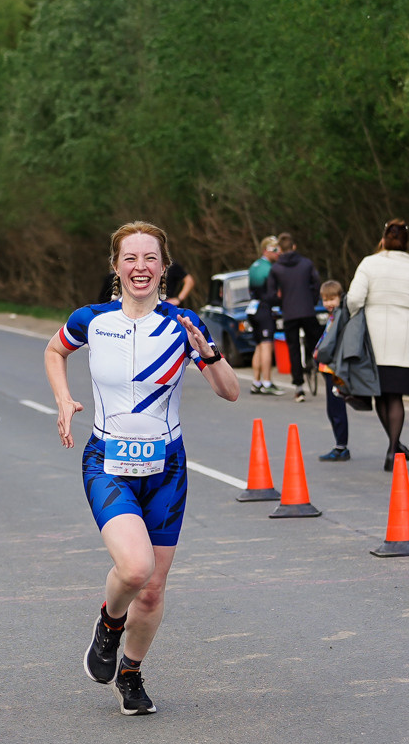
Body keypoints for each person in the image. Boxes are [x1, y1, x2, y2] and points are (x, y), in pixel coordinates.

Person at [43, 223, 242, 716]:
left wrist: (208, 351)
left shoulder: (183, 323)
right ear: (116, 267)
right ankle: (109, 626)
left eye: (150, 258)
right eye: (130, 258)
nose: (140, 267)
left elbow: (230, 391)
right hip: (108, 460)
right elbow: (54, 350)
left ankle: (130, 672)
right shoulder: (91, 320)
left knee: (152, 591)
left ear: (163, 267)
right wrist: (64, 398)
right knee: (135, 568)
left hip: (166, 467)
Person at [346, 219, 409, 472]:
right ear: (407, 242)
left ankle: (394, 446)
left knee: (380, 396)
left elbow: (354, 299)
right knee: (395, 396)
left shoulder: (369, 263)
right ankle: (393, 449)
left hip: (374, 338)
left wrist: (357, 315)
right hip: (403, 336)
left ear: (384, 239)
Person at [267, 233, 323, 399]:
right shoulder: (306, 264)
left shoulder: (276, 268)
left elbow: (270, 294)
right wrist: (311, 300)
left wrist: (280, 301)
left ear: (280, 250)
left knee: (293, 348)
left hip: (289, 313)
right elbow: (316, 283)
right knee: (315, 339)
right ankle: (314, 361)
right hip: (307, 310)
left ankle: (298, 386)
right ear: (294, 246)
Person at [314, 279, 352, 461]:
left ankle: (341, 447)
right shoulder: (332, 317)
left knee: (337, 407)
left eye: (332, 299)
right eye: (325, 300)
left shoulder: (340, 317)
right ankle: (339, 444)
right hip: (327, 368)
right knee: (332, 408)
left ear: (340, 298)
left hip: (335, 369)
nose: (328, 303)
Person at [247, 236, 280, 396]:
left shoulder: (254, 266)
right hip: (263, 308)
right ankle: (267, 382)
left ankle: (256, 382)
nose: (278, 253)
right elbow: (272, 293)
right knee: (267, 345)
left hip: (253, 308)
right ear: (266, 250)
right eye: (275, 250)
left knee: (259, 346)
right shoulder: (269, 268)